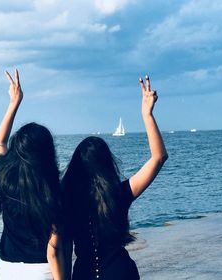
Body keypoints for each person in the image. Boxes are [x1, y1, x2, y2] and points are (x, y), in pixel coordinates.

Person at [62, 75, 168, 280]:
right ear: (107, 165)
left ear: (76, 168)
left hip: (84, 274)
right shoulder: (119, 194)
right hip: (121, 272)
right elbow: (159, 157)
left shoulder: (66, 200)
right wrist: (147, 114)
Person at [0, 69, 64, 280]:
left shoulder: (4, 176)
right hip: (41, 269)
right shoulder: (51, 188)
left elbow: (0, 143)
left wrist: (14, 102)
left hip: (8, 269)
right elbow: (53, 247)